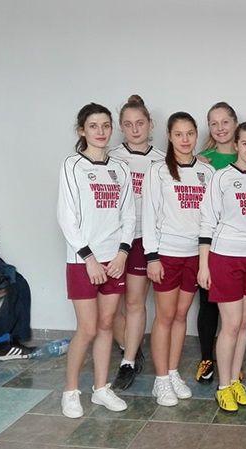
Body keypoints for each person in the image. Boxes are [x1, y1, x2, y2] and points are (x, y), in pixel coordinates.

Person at [57, 102, 134, 418]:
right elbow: (66, 217)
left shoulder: (121, 168)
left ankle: (101, 389)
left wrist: (122, 253)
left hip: (114, 260)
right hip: (83, 262)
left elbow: (128, 215)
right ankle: (70, 391)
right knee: (87, 328)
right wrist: (89, 258)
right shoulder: (72, 165)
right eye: (93, 126)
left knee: (106, 325)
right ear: (82, 130)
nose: (100, 132)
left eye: (105, 125)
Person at [198, 120, 246, 412]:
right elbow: (207, 221)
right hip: (226, 256)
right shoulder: (222, 178)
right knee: (230, 324)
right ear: (236, 145)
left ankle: (235, 380)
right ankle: (223, 386)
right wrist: (204, 265)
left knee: (243, 324)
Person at [143, 112, 215, 406]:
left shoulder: (207, 172)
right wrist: (152, 256)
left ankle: (173, 372)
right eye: (178, 134)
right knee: (165, 316)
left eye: (190, 134)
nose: (185, 140)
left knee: (181, 315)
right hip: (167, 254)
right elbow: (149, 214)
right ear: (169, 137)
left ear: (196, 135)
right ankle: (160, 380)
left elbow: (210, 217)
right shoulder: (157, 171)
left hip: (195, 255)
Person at [108, 94, 165, 391]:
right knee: (108, 309)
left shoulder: (162, 160)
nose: (135, 129)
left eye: (140, 123)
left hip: (144, 238)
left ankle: (128, 361)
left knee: (134, 302)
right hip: (114, 238)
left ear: (150, 124)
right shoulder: (111, 157)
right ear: (121, 127)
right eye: (128, 124)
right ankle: (130, 346)